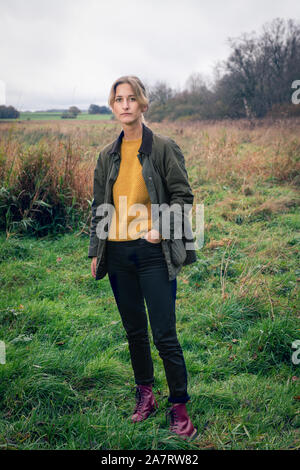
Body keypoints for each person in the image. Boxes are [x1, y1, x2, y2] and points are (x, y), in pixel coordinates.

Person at [89, 75, 197, 440]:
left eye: (131, 98)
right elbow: (98, 207)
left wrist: (161, 227)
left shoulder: (164, 148)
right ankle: (146, 397)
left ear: (143, 104)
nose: (125, 105)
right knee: (135, 331)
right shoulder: (107, 155)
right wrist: (96, 250)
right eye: (118, 99)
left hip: (153, 253)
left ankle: (179, 408)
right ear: (113, 106)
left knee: (164, 333)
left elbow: (183, 196)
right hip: (118, 253)